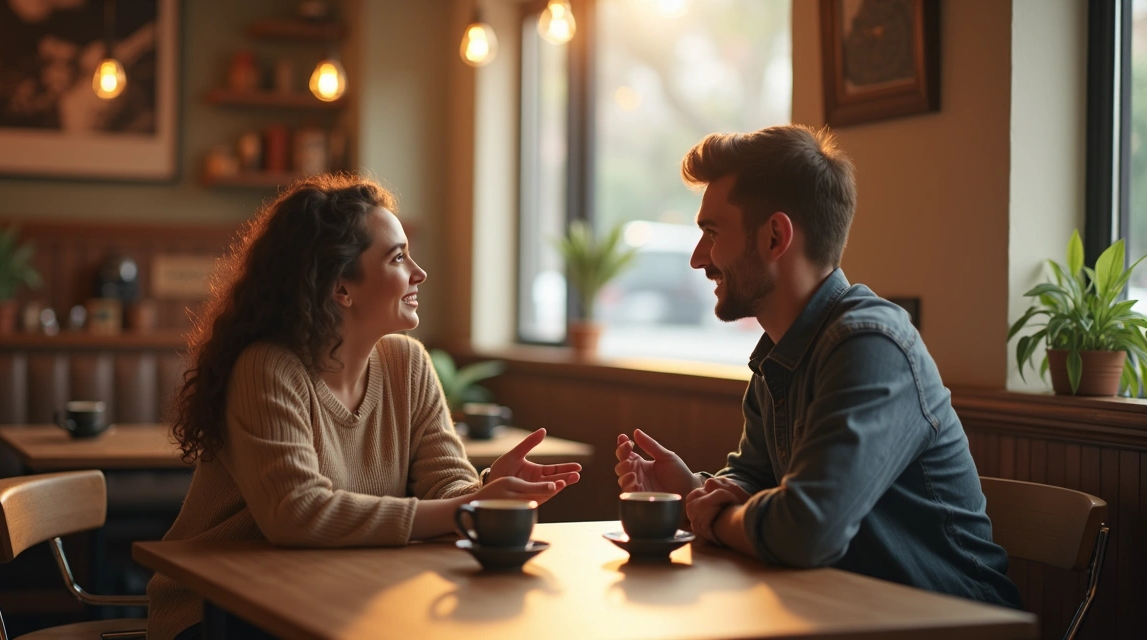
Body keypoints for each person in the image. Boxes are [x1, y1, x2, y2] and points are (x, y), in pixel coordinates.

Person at [148, 175, 581, 640]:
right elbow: (297, 514)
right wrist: (467, 509)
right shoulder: (268, 367)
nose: (419, 272)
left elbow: (445, 488)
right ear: (341, 288)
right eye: (398, 258)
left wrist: (486, 490)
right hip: (216, 611)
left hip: (333, 595)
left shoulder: (407, 363)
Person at [614, 125, 1022, 609]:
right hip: (847, 612)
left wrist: (714, 519)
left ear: (775, 236)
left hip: (957, 622)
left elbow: (807, 530)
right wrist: (691, 491)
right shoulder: (778, 354)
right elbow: (754, 479)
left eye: (712, 233)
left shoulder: (871, 345)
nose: (697, 258)